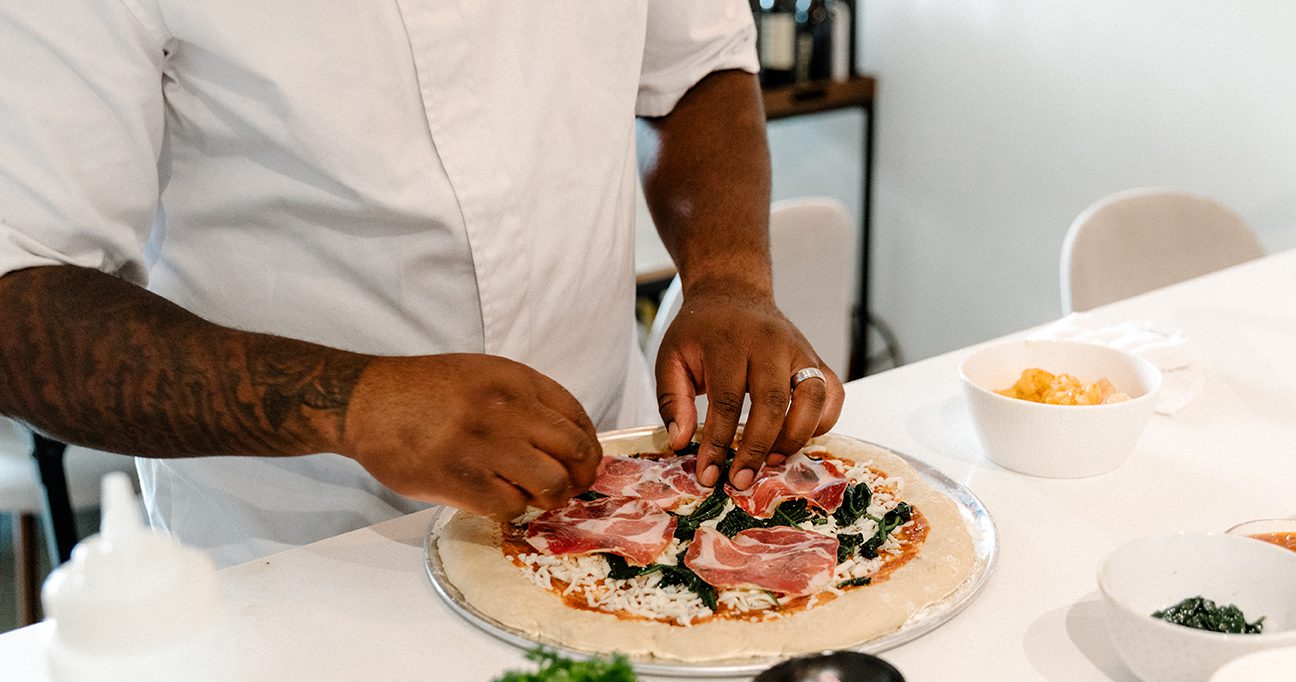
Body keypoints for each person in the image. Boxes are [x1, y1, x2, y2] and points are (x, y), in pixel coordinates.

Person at [0, 1, 845, 565]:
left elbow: (696, 68)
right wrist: (354, 401)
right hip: (310, 544)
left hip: (614, 483)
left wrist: (730, 276)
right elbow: (18, 292)